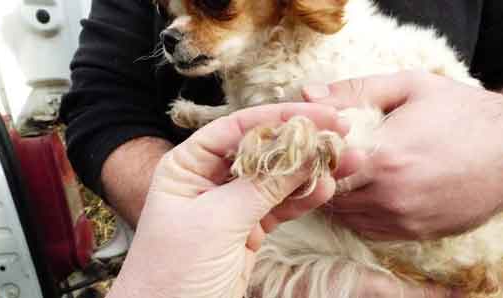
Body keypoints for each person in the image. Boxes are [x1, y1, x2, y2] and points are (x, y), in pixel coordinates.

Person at [60, 0, 503, 296]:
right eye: (167, 9)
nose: (172, 28)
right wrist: (200, 235)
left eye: (216, 4)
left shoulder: (346, 51)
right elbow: (101, 104)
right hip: (247, 259)